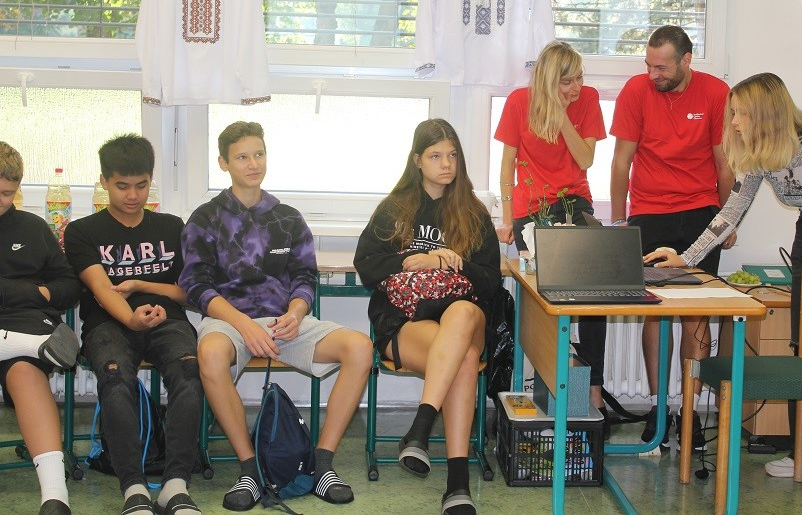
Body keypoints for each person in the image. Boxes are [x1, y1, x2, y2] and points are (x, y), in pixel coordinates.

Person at [649, 72, 802, 479]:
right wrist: (685, 258)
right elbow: (731, 212)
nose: (733, 122)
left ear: (765, 113)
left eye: (740, 113)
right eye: (732, 113)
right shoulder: (758, 151)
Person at [180, 121, 372, 511]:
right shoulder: (205, 218)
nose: (253, 164)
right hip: (229, 322)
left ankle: (321, 465)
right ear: (223, 163)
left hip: (285, 323)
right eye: (242, 157)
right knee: (211, 355)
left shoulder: (287, 217)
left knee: (360, 347)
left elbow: (305, 277)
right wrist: (243, 325)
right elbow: (195, 286)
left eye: (259, 154)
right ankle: (250, 470)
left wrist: (296, 313)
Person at [355, 118, 501, 515]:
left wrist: (455, 264)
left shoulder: (473, 213)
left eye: (452, 155)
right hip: (407, 323)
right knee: (464, 359)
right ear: (417, 160)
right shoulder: (395, 208)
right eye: (436, 156)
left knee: (463, 310)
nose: (446, 164)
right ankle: (457, 484)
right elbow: (366, 266)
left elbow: (491, 282)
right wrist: (413, 259)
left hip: (466, 321)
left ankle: (421, 427)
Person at [609, 25, 735, 451]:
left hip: (700, 212)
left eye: (661, 67)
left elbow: (724, 164)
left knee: (696, 315)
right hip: (649, 212)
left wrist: (725, 221)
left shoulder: (716, 93)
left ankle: (689, 412)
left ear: (686, 60)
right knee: (655, 311)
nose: (653, 74)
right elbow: (621, 161)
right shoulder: (636, 91)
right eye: (648, 65)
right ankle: (658, 407)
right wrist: (619, 223)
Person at [64, 135, 202, 515]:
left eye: (141, 185)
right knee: (114, 379)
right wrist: (130, 318)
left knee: (190, 373)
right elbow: (100, 288)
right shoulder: (82, 231)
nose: (133, 195)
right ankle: (134, 488)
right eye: (122, 186)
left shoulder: (172, 227)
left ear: (150, 180)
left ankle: (175, 485)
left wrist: (143, 287)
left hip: (167, 320)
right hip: (109, 323)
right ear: (104, 181)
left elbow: (189, 294)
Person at [493, 40, 608, 419]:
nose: (576, 88)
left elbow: (586, 159)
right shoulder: (519, 102)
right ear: (546, 80)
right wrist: (507, 217)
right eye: (567, 82)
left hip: (574, 201)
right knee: (543, 298)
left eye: (579, 78)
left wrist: (561, 116)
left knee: (596, 292)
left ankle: (592, 388)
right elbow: (507, 166)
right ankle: (543, 387)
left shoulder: (587, 100)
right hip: (531, 211)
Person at [0, 142, 81, 515]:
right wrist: (24, 292)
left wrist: (37, 293)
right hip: (30, 337)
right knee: (28, 355)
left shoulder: (32, 228)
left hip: (26, 323)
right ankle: (28, 345)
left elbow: (69, 287)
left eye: (6, 193)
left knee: (25, 374)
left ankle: (55, 497)